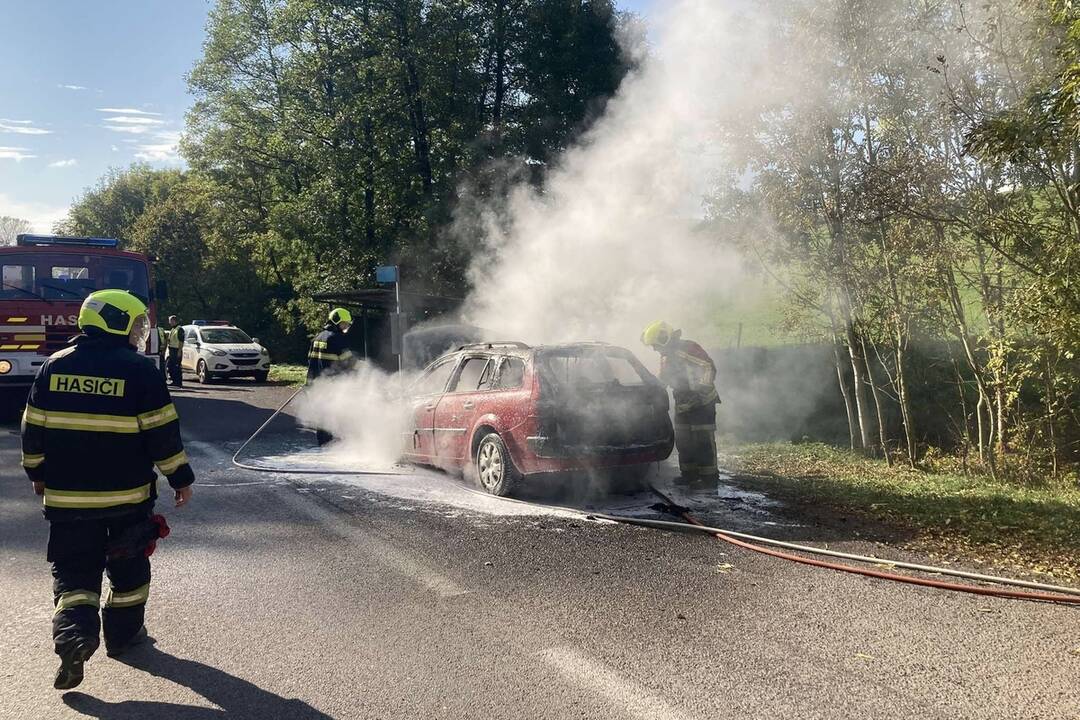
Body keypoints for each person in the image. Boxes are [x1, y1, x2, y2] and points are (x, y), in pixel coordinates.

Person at [21, 289, 195, 690]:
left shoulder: (53, 366)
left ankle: (74, 637)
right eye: (135, 324)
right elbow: (162, 436)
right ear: (116, 321)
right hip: (127, 501)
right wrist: (180, 479)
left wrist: (36, 474)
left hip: (67, 501)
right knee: (129, 571)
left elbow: (33, 430)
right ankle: (122, 636)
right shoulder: (140, 371)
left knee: (74, 573)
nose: (138, 333)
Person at [641, 320, 721, 484]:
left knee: (703, 440)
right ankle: (689, 475)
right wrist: (649, 389)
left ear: (664, 338)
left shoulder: (688, 348)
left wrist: (701, 390)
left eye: (655, 345)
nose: (655, 349)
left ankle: (709, 478)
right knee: (683, 441)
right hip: (683, 404)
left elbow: (708, 367)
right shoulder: (666, 357)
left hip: (702, 403)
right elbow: (663, 379)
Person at [306, 307, 354, 446]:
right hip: (332, 385)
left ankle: (323, 445)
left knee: (322, 415)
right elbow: (348, 362)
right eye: (344, 323)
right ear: (337, 322)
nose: (345, 327)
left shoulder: (317, 338)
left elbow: (310, 361)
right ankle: (334, 445)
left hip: (316, 384)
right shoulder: (337, 338)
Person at [165, 315, 185, 388]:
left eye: (170, 321)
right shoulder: (173, 329)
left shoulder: (179, 329)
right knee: (171, 366)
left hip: (176, 350)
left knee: (176, 367)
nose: (169, 322)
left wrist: (179, 351)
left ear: (173, 321)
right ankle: (174, 381)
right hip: (172, 350)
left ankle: (178, 382)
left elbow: (181, 341)